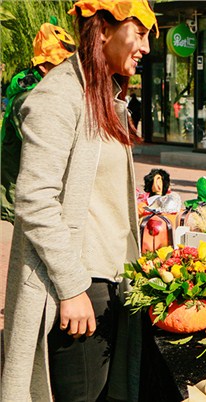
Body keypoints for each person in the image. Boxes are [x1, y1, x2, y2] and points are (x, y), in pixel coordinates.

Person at [1, 1, 158, 401]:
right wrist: (72, 289)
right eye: (139, 34)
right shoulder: (59, 96)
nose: (146, 47)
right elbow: (34, 198)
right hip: (81, 283)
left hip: (111, 275)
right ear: (103, 29)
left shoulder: (101, 93)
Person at [1, 18, 76, 224]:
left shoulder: (49, 91)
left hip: (41, 195)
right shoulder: (28, 100)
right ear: (44, 67)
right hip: (25, 197)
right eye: (63, 64)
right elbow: (43, 148)